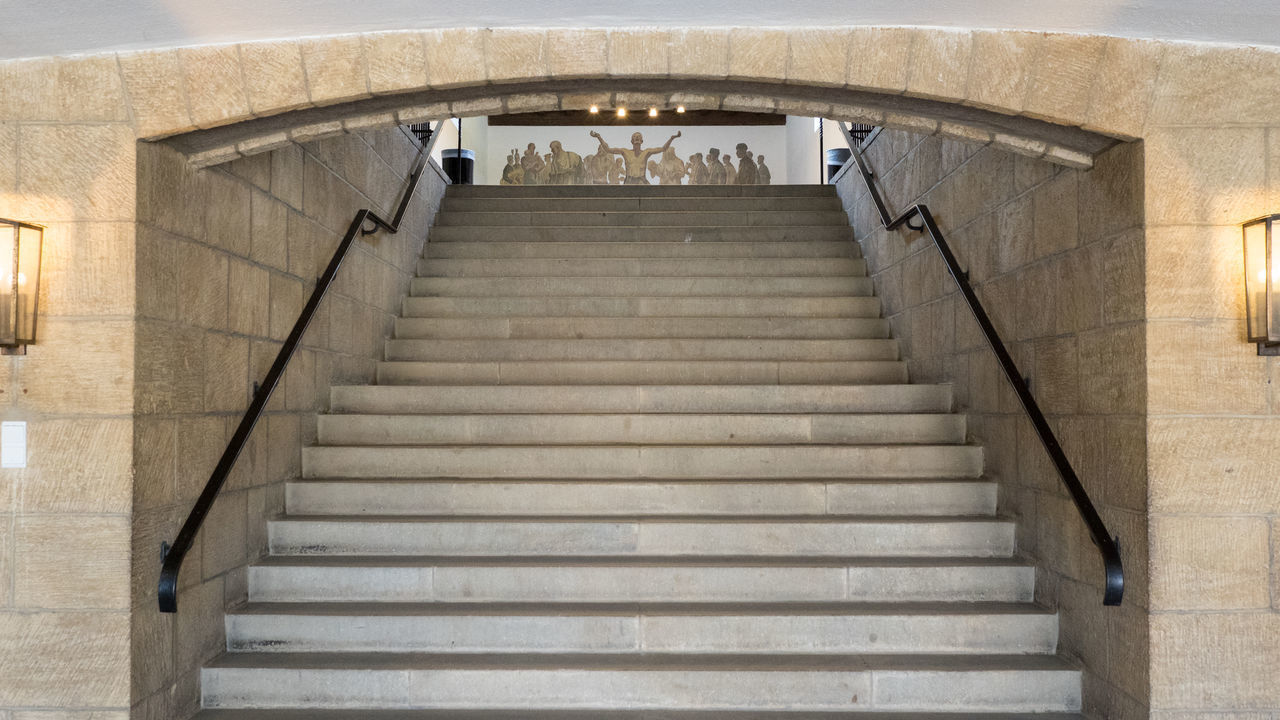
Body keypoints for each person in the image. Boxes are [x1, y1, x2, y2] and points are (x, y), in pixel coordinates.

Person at [590, 130, 682, 185]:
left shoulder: (647, 152)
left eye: (639, 137)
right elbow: (608, 149)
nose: (637, 138)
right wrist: (599, 137)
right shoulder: (625, 152)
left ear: (642, 141)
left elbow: (663, 148)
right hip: (629, 182)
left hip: (642, 181)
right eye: (635, 137)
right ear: (631, 141)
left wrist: (672, 138)